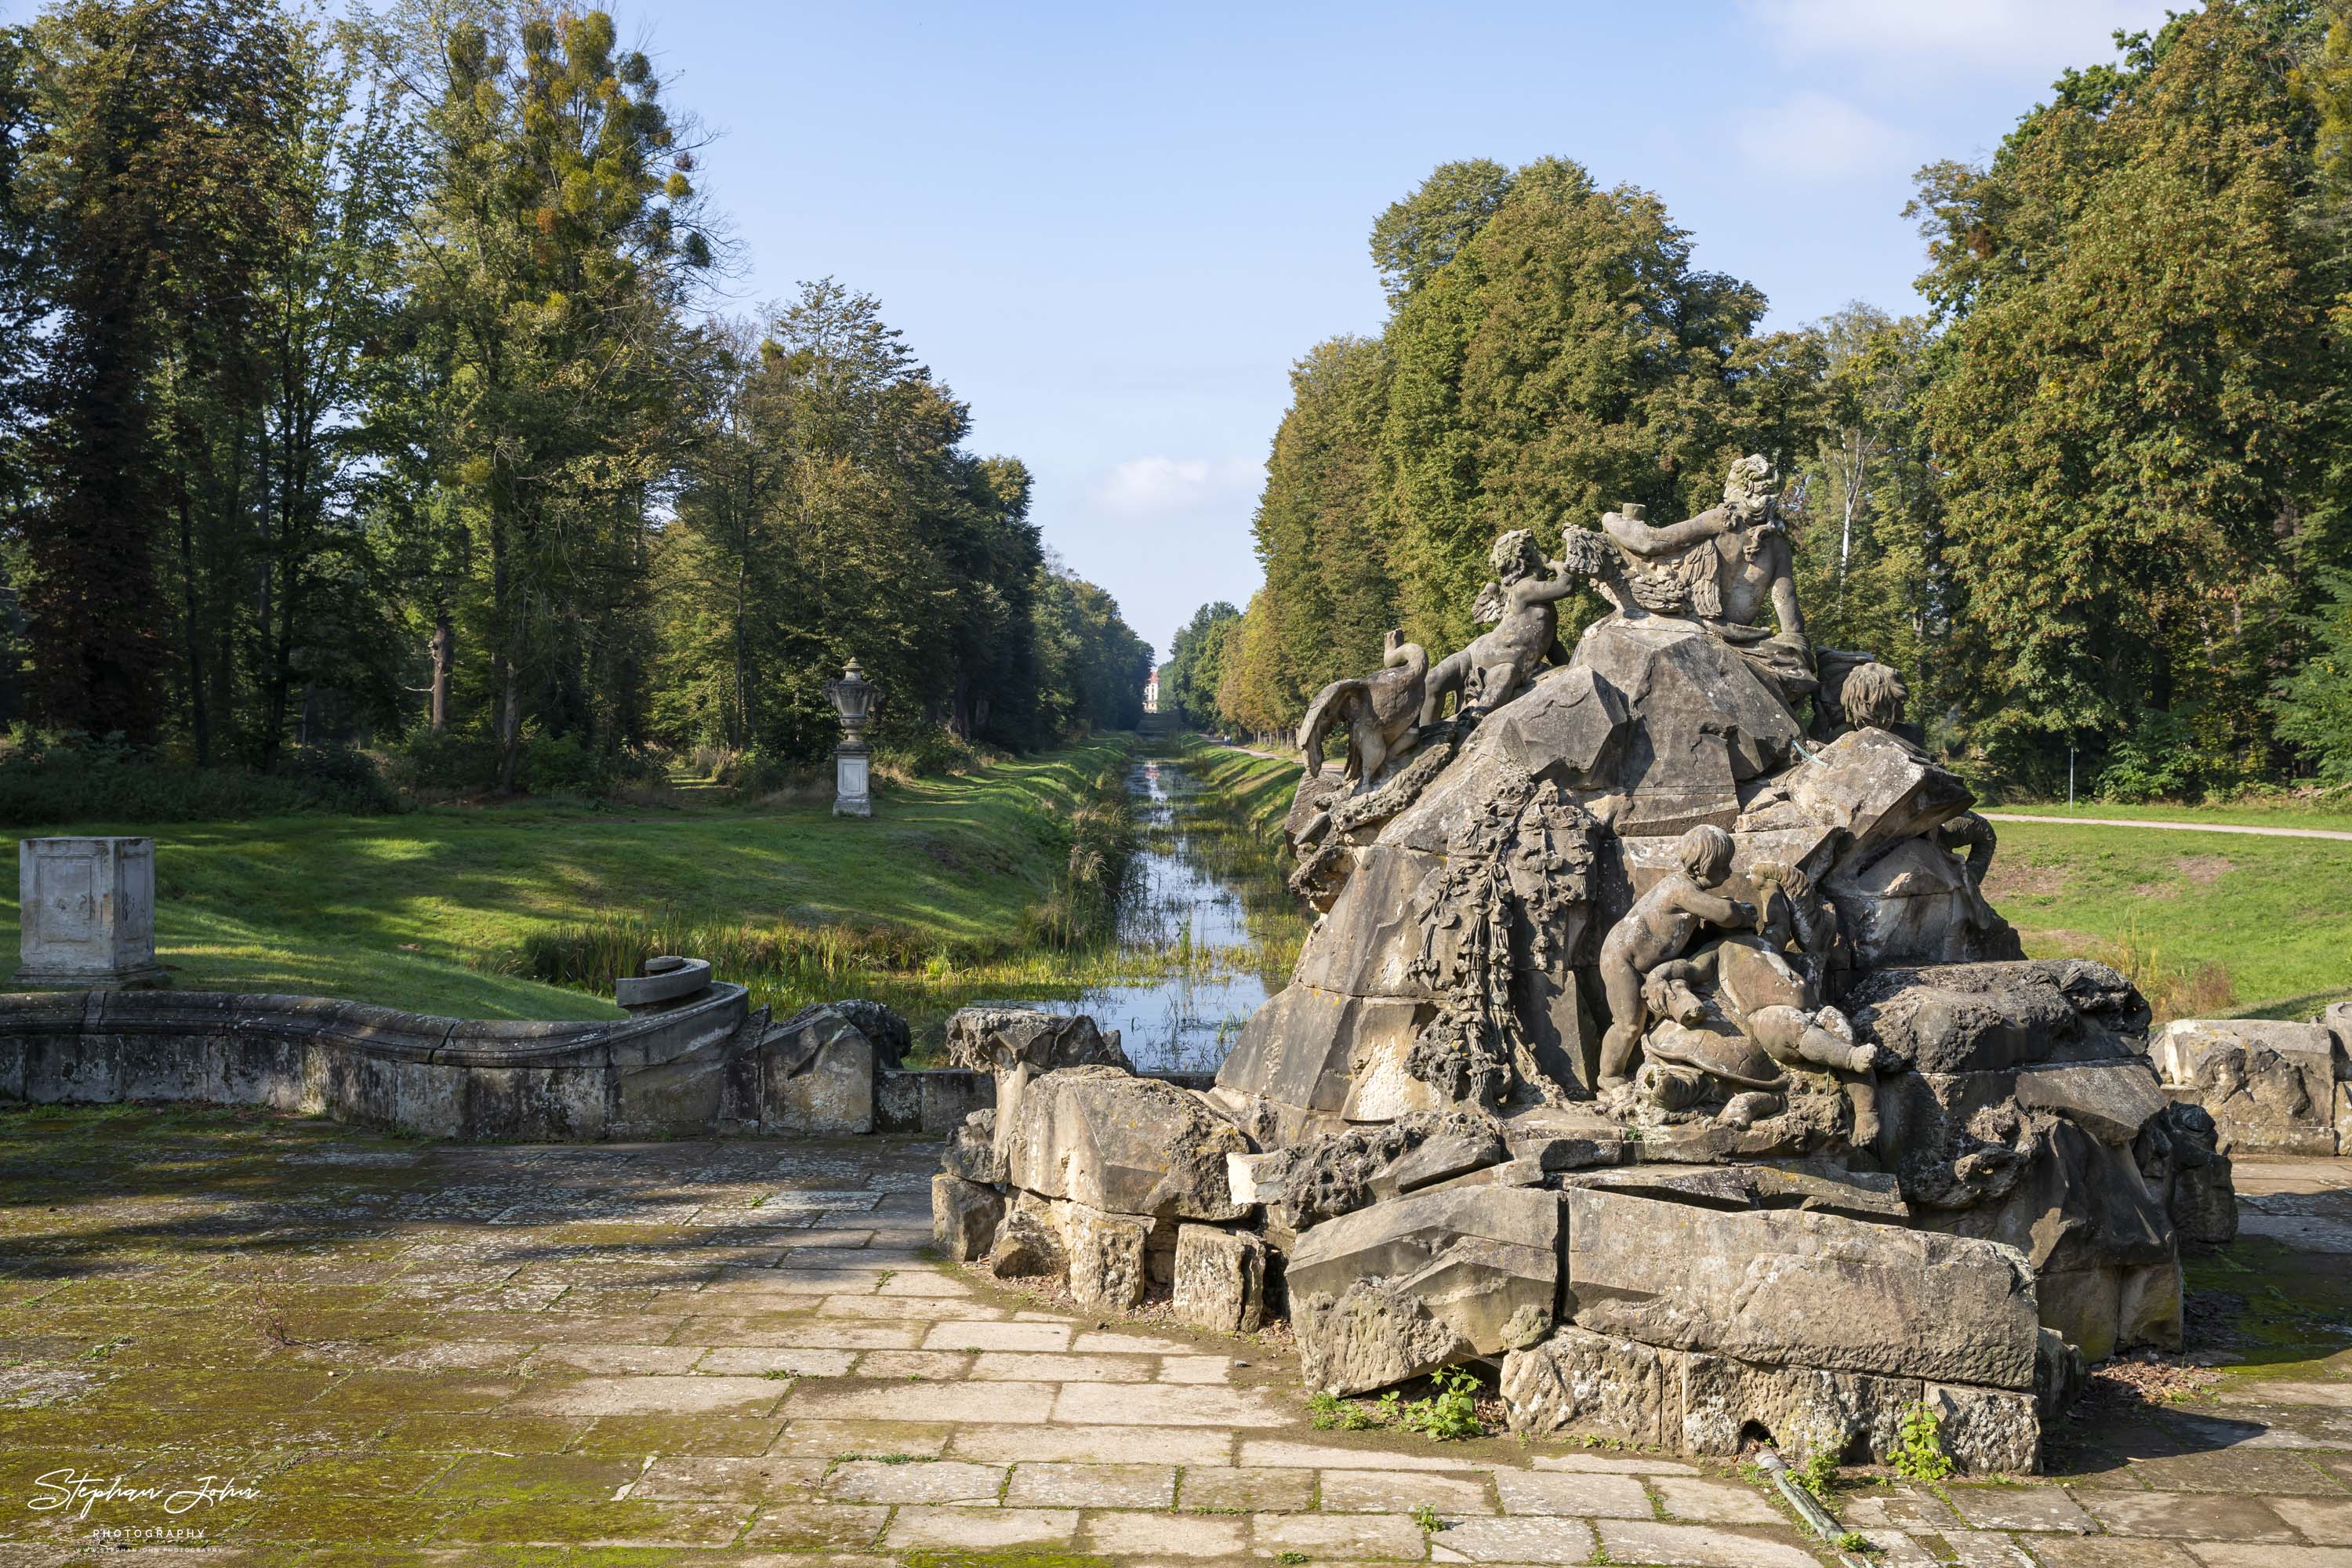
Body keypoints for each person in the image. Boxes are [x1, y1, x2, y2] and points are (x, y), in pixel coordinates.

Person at [1595, 824, 1755, 1088]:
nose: (1728, 873)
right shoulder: (1680, 889)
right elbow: (1725, 914)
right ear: (1697, 869)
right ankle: (1609, 1076)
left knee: (1645, 1018)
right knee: (1629, 1025)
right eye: (1722, 867)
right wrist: (1742, 913)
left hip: (1645, 961)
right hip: (1621, 960)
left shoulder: (1689, 890)